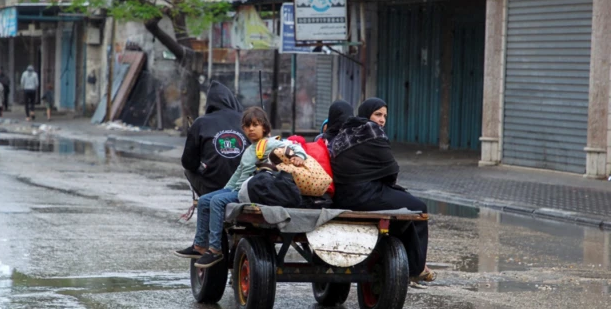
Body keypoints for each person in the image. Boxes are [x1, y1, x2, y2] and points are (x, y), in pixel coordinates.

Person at [178, 107, 307, 268]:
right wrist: (225, 190)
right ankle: (199, 246)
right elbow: (237, 174)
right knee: (204, 200)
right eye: (247, 126)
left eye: (255, 125)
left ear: (265, 127)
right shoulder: (249, 149)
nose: (251, 129)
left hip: (249, 192)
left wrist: (298, 157)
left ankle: (215, 250)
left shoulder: (269, 143)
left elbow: (294, 146)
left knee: (217, 202)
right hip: (236, 189)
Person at [330, 97, 434, 281]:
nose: (382, 120)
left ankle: (401, 260)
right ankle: (416, 268)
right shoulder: (371, 130)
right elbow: (391, 169)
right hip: (366, 195)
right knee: (419, 209)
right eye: (377, 114)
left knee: (403, 200)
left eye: (385, 116)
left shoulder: (342, 135)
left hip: (342, 198)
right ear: (366, 115)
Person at [180, 81, 247, 197]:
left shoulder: (200, 123)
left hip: (212, 187)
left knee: (188, 171)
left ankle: (207, 198)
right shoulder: (248, 121)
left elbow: (188, 163)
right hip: (245, 186)